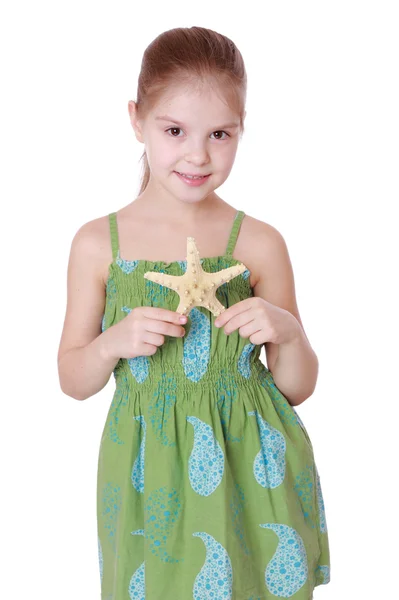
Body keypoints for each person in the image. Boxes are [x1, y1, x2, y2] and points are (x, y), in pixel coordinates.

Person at [57, 25, 331, 600]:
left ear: (241, 131)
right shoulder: (97, 244)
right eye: (175, 130)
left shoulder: (257, 243)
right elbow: (72, 379)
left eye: (220, 133)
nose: (198, 154)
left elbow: (298, 387)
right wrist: (110, 344)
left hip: (252, 465)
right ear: (137, 120)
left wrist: (287, 332)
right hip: (145, 468)